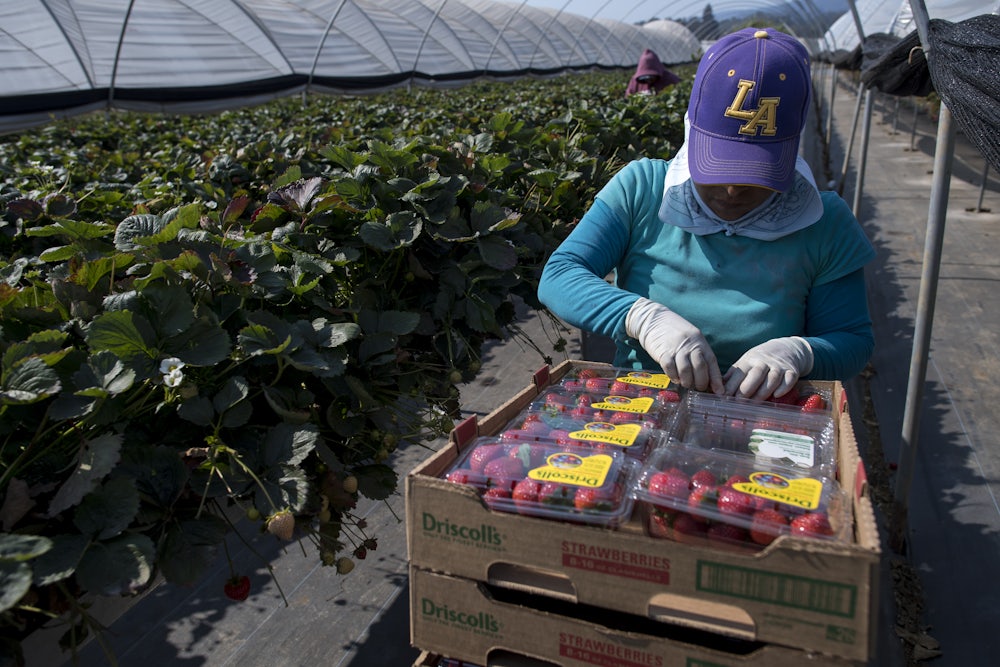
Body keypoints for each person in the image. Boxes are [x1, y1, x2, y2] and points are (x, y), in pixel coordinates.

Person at [539, 28, 876, 401]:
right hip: (643, 404)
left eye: (756, 175)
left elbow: (851, 340)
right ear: (691, 129)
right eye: (719, 167)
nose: (732, 191)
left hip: (765, 413)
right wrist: (642, 317)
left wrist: (802, 352)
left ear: (791, 151)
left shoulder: (823, 221)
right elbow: (560, 274)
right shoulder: (642, 189)